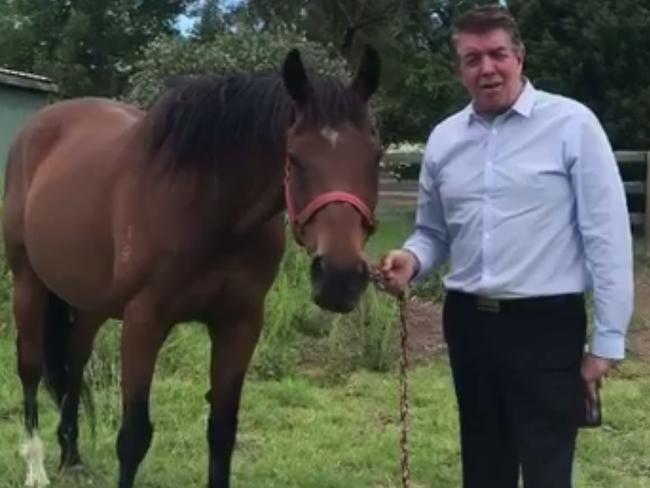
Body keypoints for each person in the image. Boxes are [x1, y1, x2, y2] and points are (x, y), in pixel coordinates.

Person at [380, 4, 634, 488]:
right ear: (460, 69)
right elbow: (433, 233)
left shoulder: (572, 126)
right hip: (469, 325)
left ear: (520, 57)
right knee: (483, 465)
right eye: (472, 58)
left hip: (546, 326)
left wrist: (607, 339)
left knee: (546, 469)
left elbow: (608, 238)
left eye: (497, 54)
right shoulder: (443, 140)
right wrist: (411, 261)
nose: (487, 68)